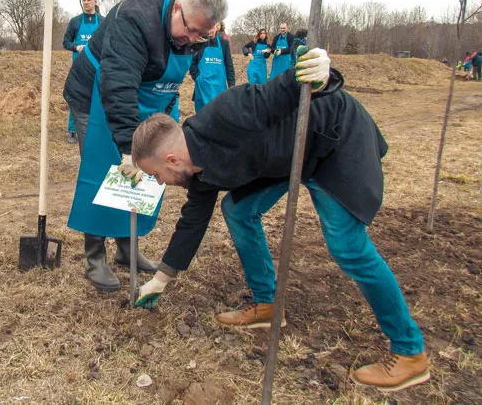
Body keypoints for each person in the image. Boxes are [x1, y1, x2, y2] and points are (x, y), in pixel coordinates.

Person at [130, 48, 429, 393]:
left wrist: (317, 68)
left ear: (171, 158)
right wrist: (162, 279)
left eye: (156, 174)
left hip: (335, 141)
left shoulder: (228, 113)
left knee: (349, 247)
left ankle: (410, 351)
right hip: (286, 159)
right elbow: (192, 222)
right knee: (238, 210)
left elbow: (288, 88)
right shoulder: (197, 172)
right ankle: (268, 304)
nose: (158, 182)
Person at [63, 0, 227, 292]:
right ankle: (95, 258)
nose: (192, 41)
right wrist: (128, 149)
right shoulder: (135, 18)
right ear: (177, 9)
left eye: (201, 36)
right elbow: (118, 85)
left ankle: (127, 248)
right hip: (96, 95)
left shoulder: (196, 31)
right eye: (190, 31)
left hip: (148, 97)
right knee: (105, 169)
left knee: (145, 172)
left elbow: (181, 72)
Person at [62, 0, 104, 147]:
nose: (86, 2)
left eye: (89, 0)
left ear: (95, 1)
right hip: (79, 71)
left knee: (98, 99)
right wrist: (75, 47)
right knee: (77, 99)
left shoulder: (103, 21)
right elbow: (66, 42)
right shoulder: (75, 22)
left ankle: (98, 129)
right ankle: (72, 131)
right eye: (84, 0)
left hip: (98, 69)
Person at [189, 21, 235, 112]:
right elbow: (192, 62)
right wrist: (197, 77)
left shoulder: (223, 44)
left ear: (216, 28)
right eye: (208, 28)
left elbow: (229, 64)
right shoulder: (198, 43)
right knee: (202, 113)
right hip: (203, 86)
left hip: (219, 86)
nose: (210, 30)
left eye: (212, 27)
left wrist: (231, 84)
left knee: (218, 112)